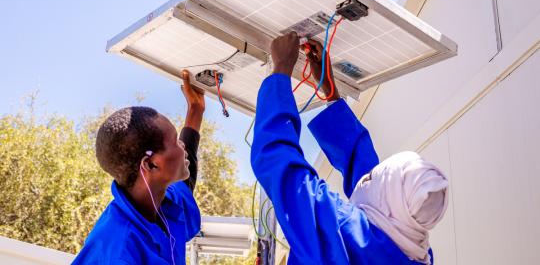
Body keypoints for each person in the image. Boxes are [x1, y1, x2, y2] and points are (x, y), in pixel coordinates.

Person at [251, 33, 449, 264]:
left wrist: (281, 71)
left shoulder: (341, 231)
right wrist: (331, 93)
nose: (369, 180)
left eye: (377, 178)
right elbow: (369, 186)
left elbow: (280, 165)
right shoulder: (417, 254)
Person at [73, 70, 205, 265]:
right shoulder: (121, 252)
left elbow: (186, 180)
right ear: (150, 164)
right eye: (176, 141)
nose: (182, 146)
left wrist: (195, 110)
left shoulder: (164, 202)